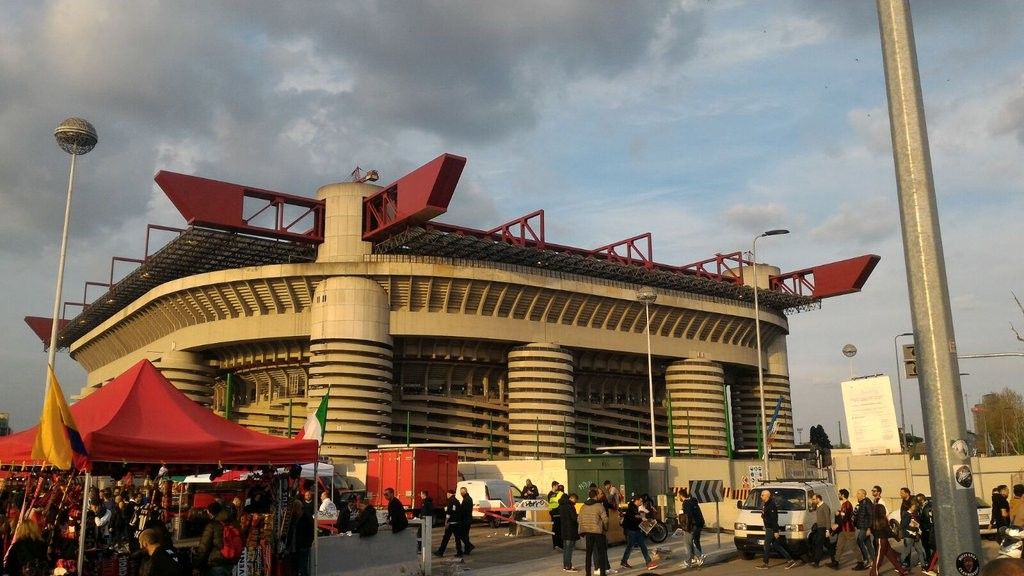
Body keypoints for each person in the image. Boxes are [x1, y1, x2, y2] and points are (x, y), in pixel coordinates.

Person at [756, 489, 796, 570]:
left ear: (767, 496)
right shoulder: (766, 504)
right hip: (768, 528)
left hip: (771, 529)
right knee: (776, 545)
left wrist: (776, 531)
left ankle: (765, 563)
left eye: (762, 495)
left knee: (766, 545)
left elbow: (774, 519)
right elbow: (766, 516)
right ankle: (790, 560)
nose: (761, 496)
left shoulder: (771, 505)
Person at [196, 501, 236, 576]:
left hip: (218, 563)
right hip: (233, 562)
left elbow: (203, 548)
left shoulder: (212, 525)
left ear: (211, 513)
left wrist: (197, 565)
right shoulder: (233, 522)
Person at [868, 503, 907, 576]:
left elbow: (872, 530)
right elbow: (888, 531)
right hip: (882, 540)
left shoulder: (873, 520)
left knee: (891, 556)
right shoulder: (884, 519)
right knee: (879, 558)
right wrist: (896, 537)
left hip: (880, 540)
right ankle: (873, 573)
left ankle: (901, 570)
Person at [620, 494, 657, 570]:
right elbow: (634, 516)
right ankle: (624, 562)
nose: (641, 502)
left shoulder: (635, 507)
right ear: (636, 500)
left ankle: (648, 562)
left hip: (636, 530)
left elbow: (636, 517)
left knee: (642, 546)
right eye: (640, 501)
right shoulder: (631, 507)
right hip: (631, 530)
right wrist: (642, 517)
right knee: (630, 547)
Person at [579, 488, 609, 576]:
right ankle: (602, 573)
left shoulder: (583, 507)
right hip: (598, 532)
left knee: (588, 554)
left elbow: (579, 519)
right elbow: (605, 519)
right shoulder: (599, 506)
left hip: (588, 532)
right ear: (596, 496)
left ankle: (588, 573)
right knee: (601, 553)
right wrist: (605, 528)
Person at [832, 488, 857, 570]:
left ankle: (860, 562)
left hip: (848, 529)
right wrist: (838, 513)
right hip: (843, 530)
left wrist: (837, 525)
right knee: (839, 546)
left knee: (854, 547)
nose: (838, 495)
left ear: (843, 495)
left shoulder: (847, 504)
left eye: (839, 494)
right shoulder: (843, 504)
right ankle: (836, 562)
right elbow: (843, 515)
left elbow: (846, 518)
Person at [681, 488, 706, 568]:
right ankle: (698, 558)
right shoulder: (693, 501)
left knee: (687, 543)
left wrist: (687, 527)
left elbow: (688, 516)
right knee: (696, 541)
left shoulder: (686, 503)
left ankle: (689, 560)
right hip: (699, 524)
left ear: (681, 496)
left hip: (692, 525)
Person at [434, 489, 462, 558]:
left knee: (446, 538)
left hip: (450, 523)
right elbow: (458, 511)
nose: (446, 495)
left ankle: (440, 552)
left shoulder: (450, 501)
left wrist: (446, 521)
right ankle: (459, 552)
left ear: (449, 494)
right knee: (457, 538)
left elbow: (449, 512)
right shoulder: (457, 501)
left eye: (447, 494)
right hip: (456, 522)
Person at [853, 489, 876, 571]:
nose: (857, 495)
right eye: (857, 493)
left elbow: (871, 516)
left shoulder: (866, 503)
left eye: (858, 493)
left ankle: (866, 561)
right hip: (862, 526)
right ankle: (874, 561)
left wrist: (869, 528)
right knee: (868, 544)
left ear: (863, 494)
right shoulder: (861, 503)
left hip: (865, 527)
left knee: (859, 541)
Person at [900, 499, 925, 570]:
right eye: (915, 506)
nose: (916, 507)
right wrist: (915, 529)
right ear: (911, 506)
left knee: (920, 551)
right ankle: (900, 565)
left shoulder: (913, 514)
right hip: (909, 536)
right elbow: (903, 526)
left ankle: (923, 566)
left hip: (915, 536)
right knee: (906, 552)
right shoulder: (906, 514)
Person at [559, 492, 580, 572]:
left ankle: (566, 565)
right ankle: (568, 566)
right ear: (572, 498)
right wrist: (578, 516)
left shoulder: (561, 506)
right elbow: (574, 518)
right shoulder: (570, 506)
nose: (576, 502)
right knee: (569, 549)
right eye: (576, 500)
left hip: (564, 530)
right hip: (570, 530)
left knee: (566, 549)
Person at [810, 492, 832, 568]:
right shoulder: (818, 506)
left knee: (818, 544)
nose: (813, 500)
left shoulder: (825, 507)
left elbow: (828, 519)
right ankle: (834, 560)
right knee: (828, 545)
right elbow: (812, 507)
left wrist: (828, 530)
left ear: (818, 499)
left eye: (814, 499)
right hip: (819, 528)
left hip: (823, 528)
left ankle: (816, 562)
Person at [458, 486, 475, 555]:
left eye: (461, 492)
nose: (460, 494)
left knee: (461, 535)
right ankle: (467, 550)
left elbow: (464, 511)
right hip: (468, 519)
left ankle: (469, 545)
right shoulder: (468, 498)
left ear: (464, 492)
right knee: (465, 535)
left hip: (465, 520)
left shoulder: (466, 499)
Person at [548, 481, 564, 551]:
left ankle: (557, 544)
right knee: (556, 529)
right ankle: (556, 544)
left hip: (555, 513)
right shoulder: (551, 494)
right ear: (554, 486)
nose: (558, 486)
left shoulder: (555, 494)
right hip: (555, 513)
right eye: (557, 485)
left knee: (557, 529)